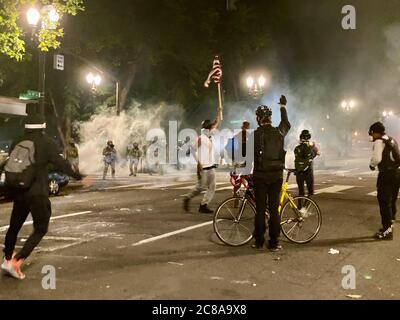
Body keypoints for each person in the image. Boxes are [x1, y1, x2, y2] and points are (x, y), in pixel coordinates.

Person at [1, 113, 85, 280]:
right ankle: (16, 262)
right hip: (37, 193)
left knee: (14, 226)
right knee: (40, 228)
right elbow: (60, 163)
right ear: (43, 125)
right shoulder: (46, 142)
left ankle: (7, 257)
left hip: (19, 191)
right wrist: (79, 177)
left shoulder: (18, 140)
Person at [252, 95, 291, 251]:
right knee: (274, 209)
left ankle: (259, 241)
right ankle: (274, 241)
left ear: (259, 118)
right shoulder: (279, 132)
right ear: (269, 118)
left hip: (260, 176)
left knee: (260, 209)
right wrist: (282, 107)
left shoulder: (254, 135)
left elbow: (248, 157)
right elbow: (286, 124)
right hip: (276, 176)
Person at [183, 108, 222, 214]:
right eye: (210, 127)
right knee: (200, 187)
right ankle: (187, 197)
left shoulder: (210, 136)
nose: (212, 128)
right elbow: (192, 150)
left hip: (211, 166)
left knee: (212, 187)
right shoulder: (201, 138)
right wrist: (199, 163)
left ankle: (203, 205)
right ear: (207, 128)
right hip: (203, 167)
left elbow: (217, 123)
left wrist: (219, 113)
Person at [369, 122, 400, 240]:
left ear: (376, 132)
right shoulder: (391, 139)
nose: (371, 136)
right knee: (391, 201)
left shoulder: (379, 141)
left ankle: (387, 232)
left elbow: (377, 158)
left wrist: (371, 165)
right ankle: (389, 225)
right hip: (397, 174)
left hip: (386, 175)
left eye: (372, 133)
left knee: (384, 203)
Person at [294, 130, 320, 197]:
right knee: (310, 192)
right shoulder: (311, 146)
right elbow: (318, 153)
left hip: (299, 172)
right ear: (308, 137)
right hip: (308, 171)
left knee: (301, 192)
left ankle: (300, 207)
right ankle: (306, 206)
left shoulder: (297, 148)